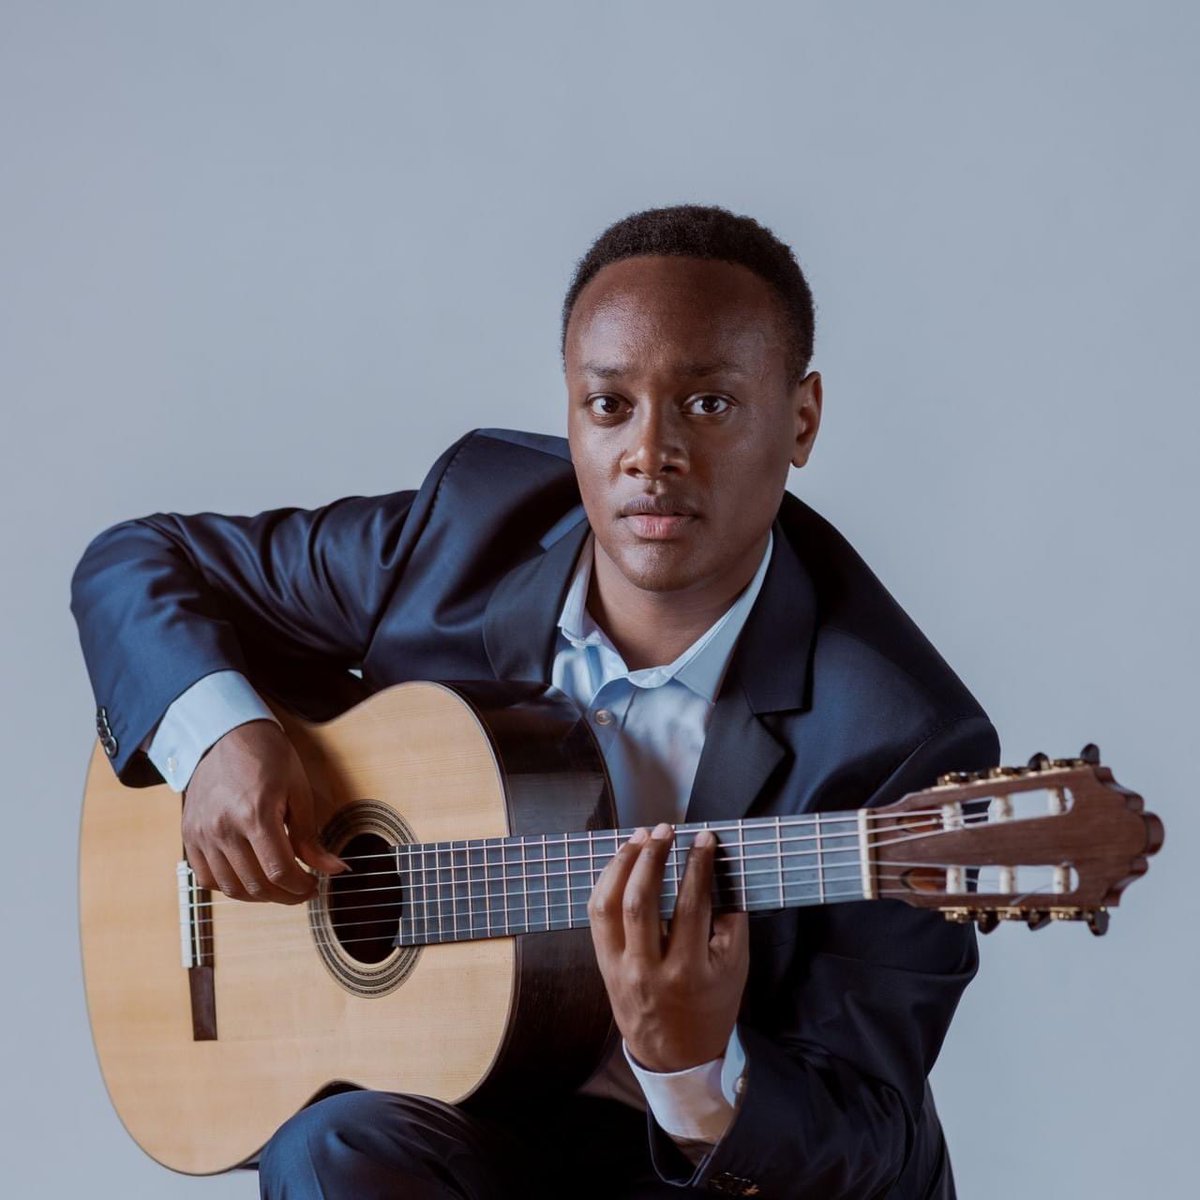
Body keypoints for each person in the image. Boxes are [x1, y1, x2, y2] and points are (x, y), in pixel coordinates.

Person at [71, 204, 999, 1199]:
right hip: (468, 1138)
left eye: (711, 405)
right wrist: (223, 738)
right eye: (610, 407)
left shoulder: (901, 738)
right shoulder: (471, 529)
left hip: (687, 1174)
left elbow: (874, 1139)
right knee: (332, 1153)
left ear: (801, 418)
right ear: (570, 409)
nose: (652, 453)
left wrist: (694, 1070)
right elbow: (141, 564)